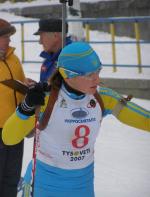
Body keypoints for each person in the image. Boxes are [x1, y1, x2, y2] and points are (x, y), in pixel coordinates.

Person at [2, 42, 150, 197]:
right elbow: (9, 138)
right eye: (89, 75)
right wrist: (26, 107)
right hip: (46, 183)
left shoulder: (103, 97)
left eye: (98, 71)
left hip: (82, 184)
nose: (97, 79)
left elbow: (144, 119)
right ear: (67, 74)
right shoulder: (47, 100)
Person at [0, 18, 26, 197]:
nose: (10, 40)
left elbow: (20, 83)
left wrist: (27, 85)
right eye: (6, 37)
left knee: (12, 176)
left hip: (16, 127)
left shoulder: (14, 59)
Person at [34, 18, 72, 82]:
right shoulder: (50, 58)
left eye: (42, 37)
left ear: (55, 36)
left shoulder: (72, 59)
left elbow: (74, 89)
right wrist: (37, 87)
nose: (40, 42)